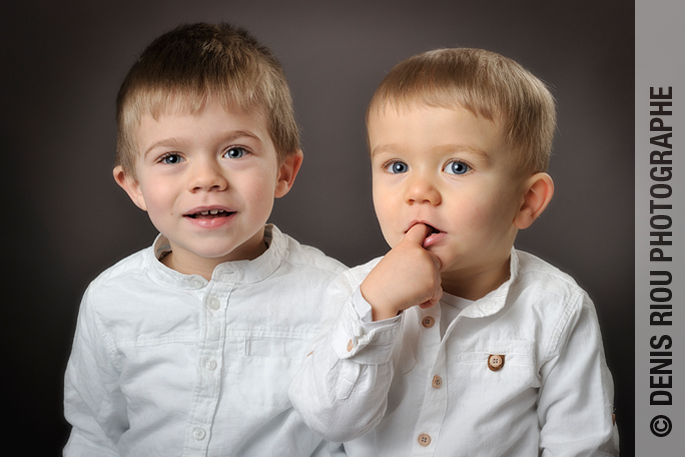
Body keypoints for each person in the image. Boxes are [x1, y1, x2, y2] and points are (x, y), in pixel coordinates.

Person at [289, 48, 619, 455]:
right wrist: (377, 307)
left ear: (526, 201)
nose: (418, 192)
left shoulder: (556, 307)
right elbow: (329, 421)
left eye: (457, 167)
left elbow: (583, 443)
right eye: (396, 166)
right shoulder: (354, 291)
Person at [63, 22, 345, 456]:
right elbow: (96, 434)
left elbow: (355, 434)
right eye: (172, 157)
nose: (206, 180)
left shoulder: (336, 294)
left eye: (235, 152)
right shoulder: (110, 300)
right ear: (134, 184)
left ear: (284, 172)